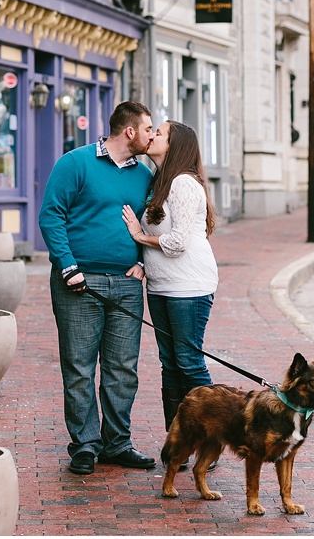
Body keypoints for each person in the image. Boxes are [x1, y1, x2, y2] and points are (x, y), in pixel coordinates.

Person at [38, 101, 157, 476]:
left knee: (123, 368)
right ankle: (85, 444)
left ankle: (117, 442)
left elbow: (150, 222)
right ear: (130, 131)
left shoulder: (144, 174)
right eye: (149, 128)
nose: (153, 135)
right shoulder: (75, 163)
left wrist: (141, 262)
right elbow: (51, 215)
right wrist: (68, 266)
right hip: (80, 284)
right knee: (79, 367)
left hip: (126, 284)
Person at [121, 120, 218, 444]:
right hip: (162, 285)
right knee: (170, 363)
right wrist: (142, 261)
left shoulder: (184, 184)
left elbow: (177, 242)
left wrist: (139, 235)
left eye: (158, 133)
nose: (151, 136)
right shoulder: (161, 181)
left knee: (189, 361)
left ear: (175, 145)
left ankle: (210, 435)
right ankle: (179, 437)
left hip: (188, 286)